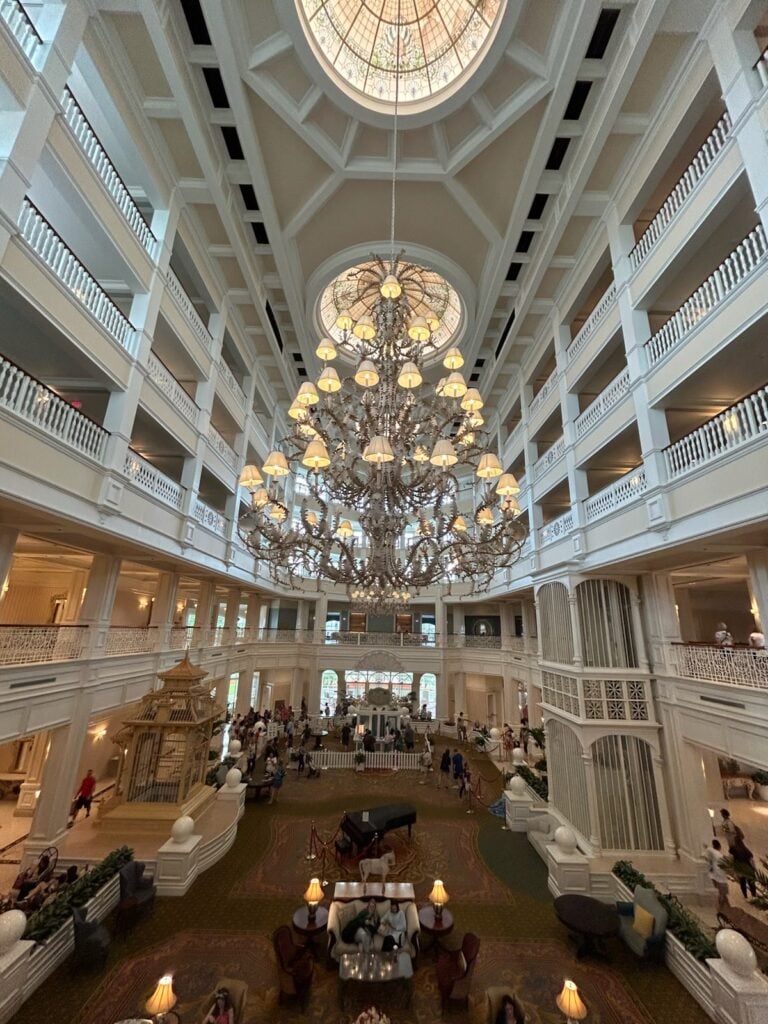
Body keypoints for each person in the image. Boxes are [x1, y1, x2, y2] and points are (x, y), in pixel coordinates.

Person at [728, 833, 758, 898]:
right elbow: (751, 860)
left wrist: (734, 869)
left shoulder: (733, 849)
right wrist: (754, 869)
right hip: (749, 868)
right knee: (751, 882)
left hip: (741, 869)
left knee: (742, 882)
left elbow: (730, 859)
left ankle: (745, 896)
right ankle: (754, 896)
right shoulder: (745, 849)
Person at [705, 839, 730, 910]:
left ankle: (727, 905)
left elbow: (708, 849)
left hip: (714, 876)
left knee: (722, 893)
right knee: (722, 894)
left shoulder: (711, 851)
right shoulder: (719, 856)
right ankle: (721, 908)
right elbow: (726, 867)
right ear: (719, 846)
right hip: (721, 878)